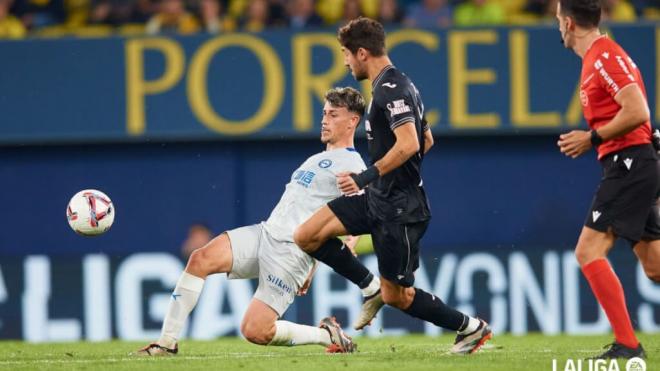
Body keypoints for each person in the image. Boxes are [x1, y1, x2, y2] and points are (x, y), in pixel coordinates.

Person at [293, 17, 492, 355]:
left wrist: (367, 177)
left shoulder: (393, 89)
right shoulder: (395, 86)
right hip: (379, 198)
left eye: (345, 54)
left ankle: (471, 328)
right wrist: (391, 176)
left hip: (400, 208)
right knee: (307, 235)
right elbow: (426, 139)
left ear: (361, 53)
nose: (345, 62)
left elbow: (411, 142)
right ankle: (367, 287)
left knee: (397, 296)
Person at [135, 87, 381, 356]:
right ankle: (166, 344)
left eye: (333, 114)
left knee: (255, 330)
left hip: (291, 252)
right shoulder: (317, 158)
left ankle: (326, 335)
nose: (324, 120)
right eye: (324, 113)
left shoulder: (352, 164)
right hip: (266, 233)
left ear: (352, 121)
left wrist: (346, 242)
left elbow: (358, 211)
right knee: (200, 259)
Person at [556, 0, 659, 359]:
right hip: (636, 163)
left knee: (588, 251)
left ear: (568, 24)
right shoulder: (599, 58)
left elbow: (638, 110)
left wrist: (592, 137)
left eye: (557, 19)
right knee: (655, 265)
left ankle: (629, 347)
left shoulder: (604, 57)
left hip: (629, 163)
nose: (557, 26)